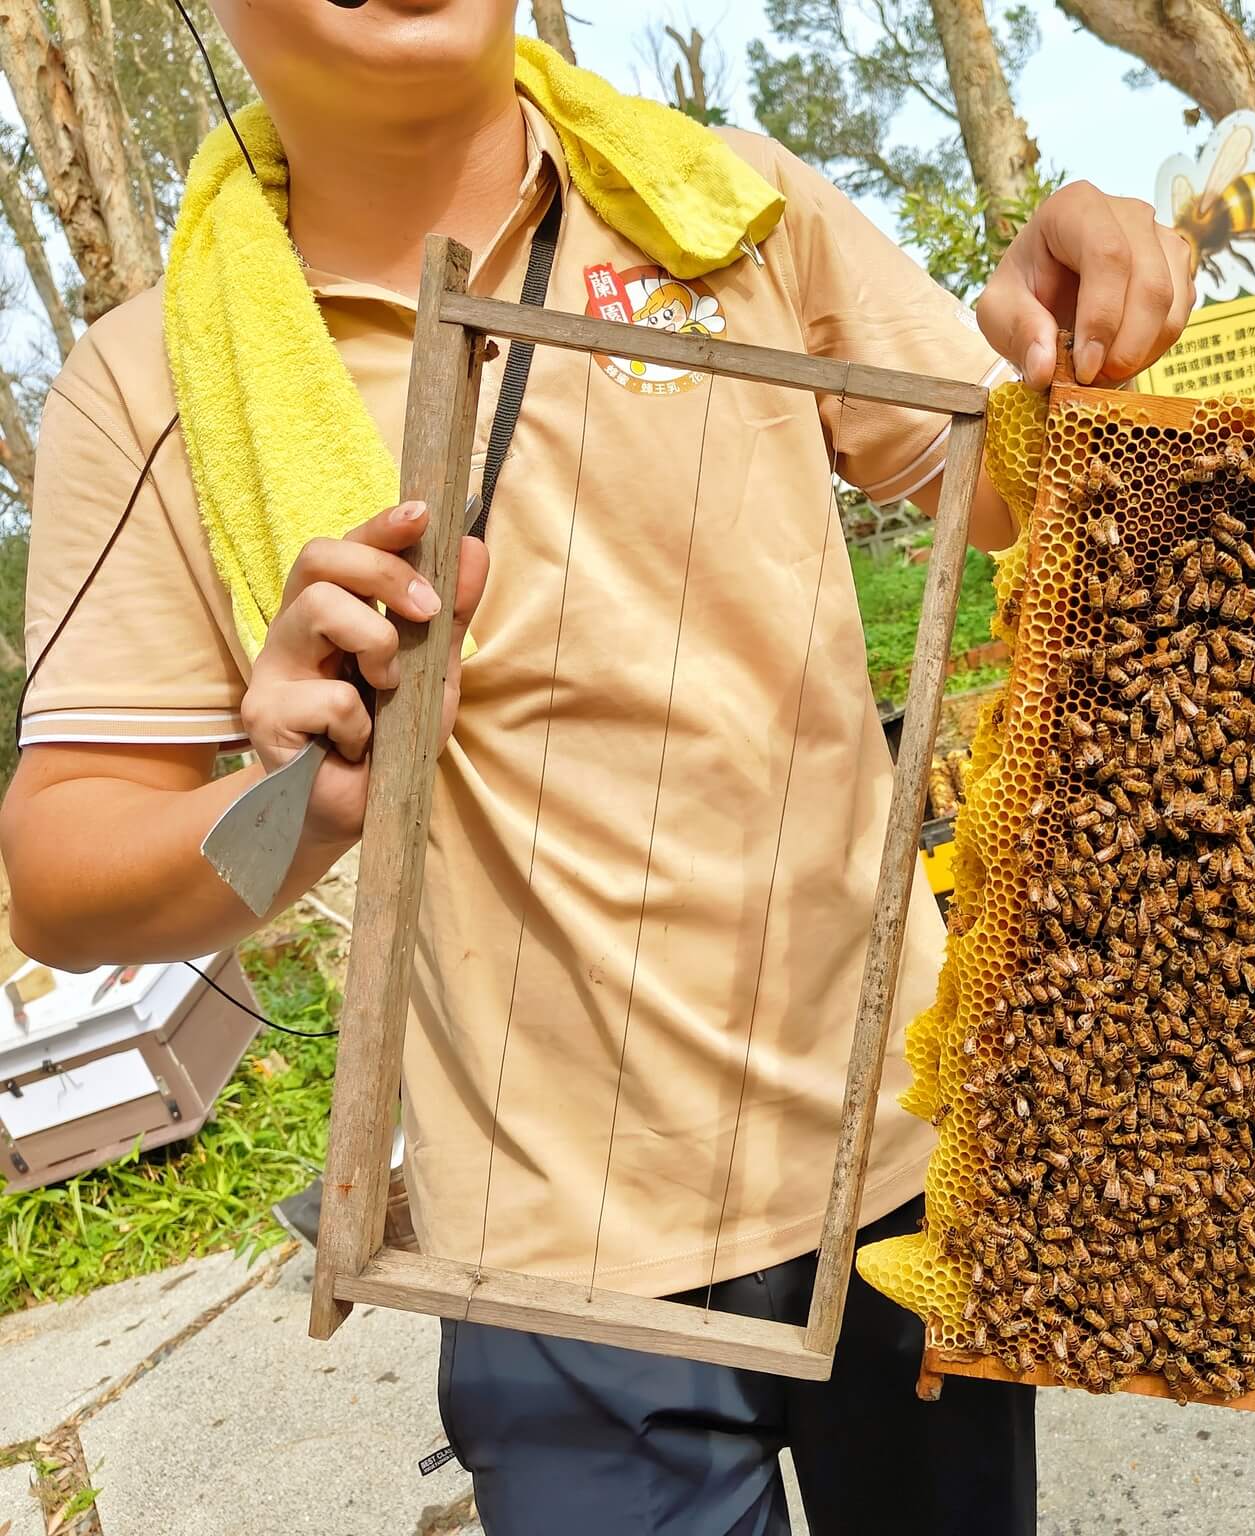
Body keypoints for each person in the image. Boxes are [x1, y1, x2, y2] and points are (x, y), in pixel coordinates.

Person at [0, 4, 1194, 1532]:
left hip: (896, 1153)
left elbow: (1018, 483)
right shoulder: (144, 381)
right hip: (552, 1264)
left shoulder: (733, 209)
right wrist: (298, 799)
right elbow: (59, 876)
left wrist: (1085, 335)